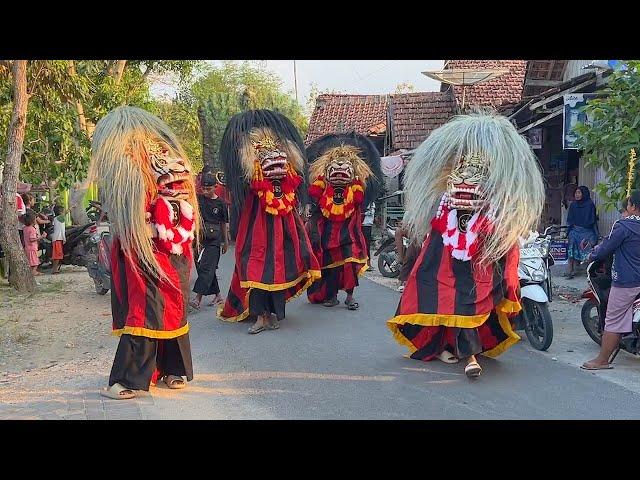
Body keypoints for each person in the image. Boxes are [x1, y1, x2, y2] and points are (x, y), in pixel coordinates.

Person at [386, 111, 545, 379]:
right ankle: (466, 354)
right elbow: (433, 241)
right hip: (447, 268)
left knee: (471, 303)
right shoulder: (442, 210)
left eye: (473, 178)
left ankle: (465, 349)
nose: (464, 182)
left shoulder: (494, 211)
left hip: (480, 267)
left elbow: (502, 236)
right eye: (460, 177)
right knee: (450, 302)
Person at [89, 106, 200, 400]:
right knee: (147, 308)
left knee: (174, 307)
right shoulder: (126, 168)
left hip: (175, 250)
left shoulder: (171, 164)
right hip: (143, 250)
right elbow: (128, 211)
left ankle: (171, 368)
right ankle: (127, 379)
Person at [217, 109, 321, 334]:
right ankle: (260, 316)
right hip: (256, 226)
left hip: (284, 225)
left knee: (279, 268)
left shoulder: (289, 177)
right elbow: (244, 187)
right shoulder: (250, 176)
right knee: (254, 268)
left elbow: (294, 182)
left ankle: (272, 315)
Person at [305, 132, 382, 310]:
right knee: (330, 267)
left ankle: (349, 296)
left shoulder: (355, 189)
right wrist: (322, 180)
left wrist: (356, 180)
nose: (340, 170)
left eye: (346, 167)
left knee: (349, 265)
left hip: (349, 235)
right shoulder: (323, 186)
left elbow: (359, 199)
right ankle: (331, 296)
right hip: (328, 235)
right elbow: (314, 194)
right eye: (334, 167)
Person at [582, 190, 640, 370]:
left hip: (628, 281)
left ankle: (602, 360)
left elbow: (606, 247)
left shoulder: (624, 225)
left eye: (629, 204)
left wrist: (592, 255)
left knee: (613, 319)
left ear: (632, 206)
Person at [190, 173, 228, 309]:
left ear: (215, 187)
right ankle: (218, 295)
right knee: (202, 267)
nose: (205, 191)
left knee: (207, 268)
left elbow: (224, 223)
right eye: (203, 189)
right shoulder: (199, 199)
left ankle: (197, 299)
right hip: (199, 238)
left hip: (214, 240)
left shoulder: (221, 203)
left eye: (209, 189)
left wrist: (225, 241)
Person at [566, 185, 599, 278]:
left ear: (584, 194)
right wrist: (568, 231)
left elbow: (592, 221)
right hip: (575, 230)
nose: (577, 195)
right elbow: (570, 220)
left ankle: (590, 271)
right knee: (571, 241)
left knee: (590, 242)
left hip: (587, 230)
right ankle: (570, 270)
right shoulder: (573, 205)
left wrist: (596, 234)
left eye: (579, 193)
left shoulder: (590, 204)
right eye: (576, 193)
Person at [22, 210, 46, 276]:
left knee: (30, 261)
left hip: (27, 248)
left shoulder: (24, 228)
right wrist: (41, 237)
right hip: (32, 248)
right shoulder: (31, 229)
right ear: (32, 220)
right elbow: (32, 239)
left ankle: (32, 272)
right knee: (35, 262)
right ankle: (34, 272)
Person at [50, 205, 66, 274]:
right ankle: (54, 269)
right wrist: (64, 238)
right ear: (61, 212)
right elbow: (62, 230)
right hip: (58, 238)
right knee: (57, 255)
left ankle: (55, 268)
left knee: (56, 255)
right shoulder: (61, 218)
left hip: (56, 238)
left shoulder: (56, 218)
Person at [362, 202, 375, 270]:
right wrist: (365, 213)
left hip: (368, 225)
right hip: (364, 224)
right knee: (364, 245)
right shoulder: (365, 201)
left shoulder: (371, 202)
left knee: (367, 245)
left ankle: (367, 263)